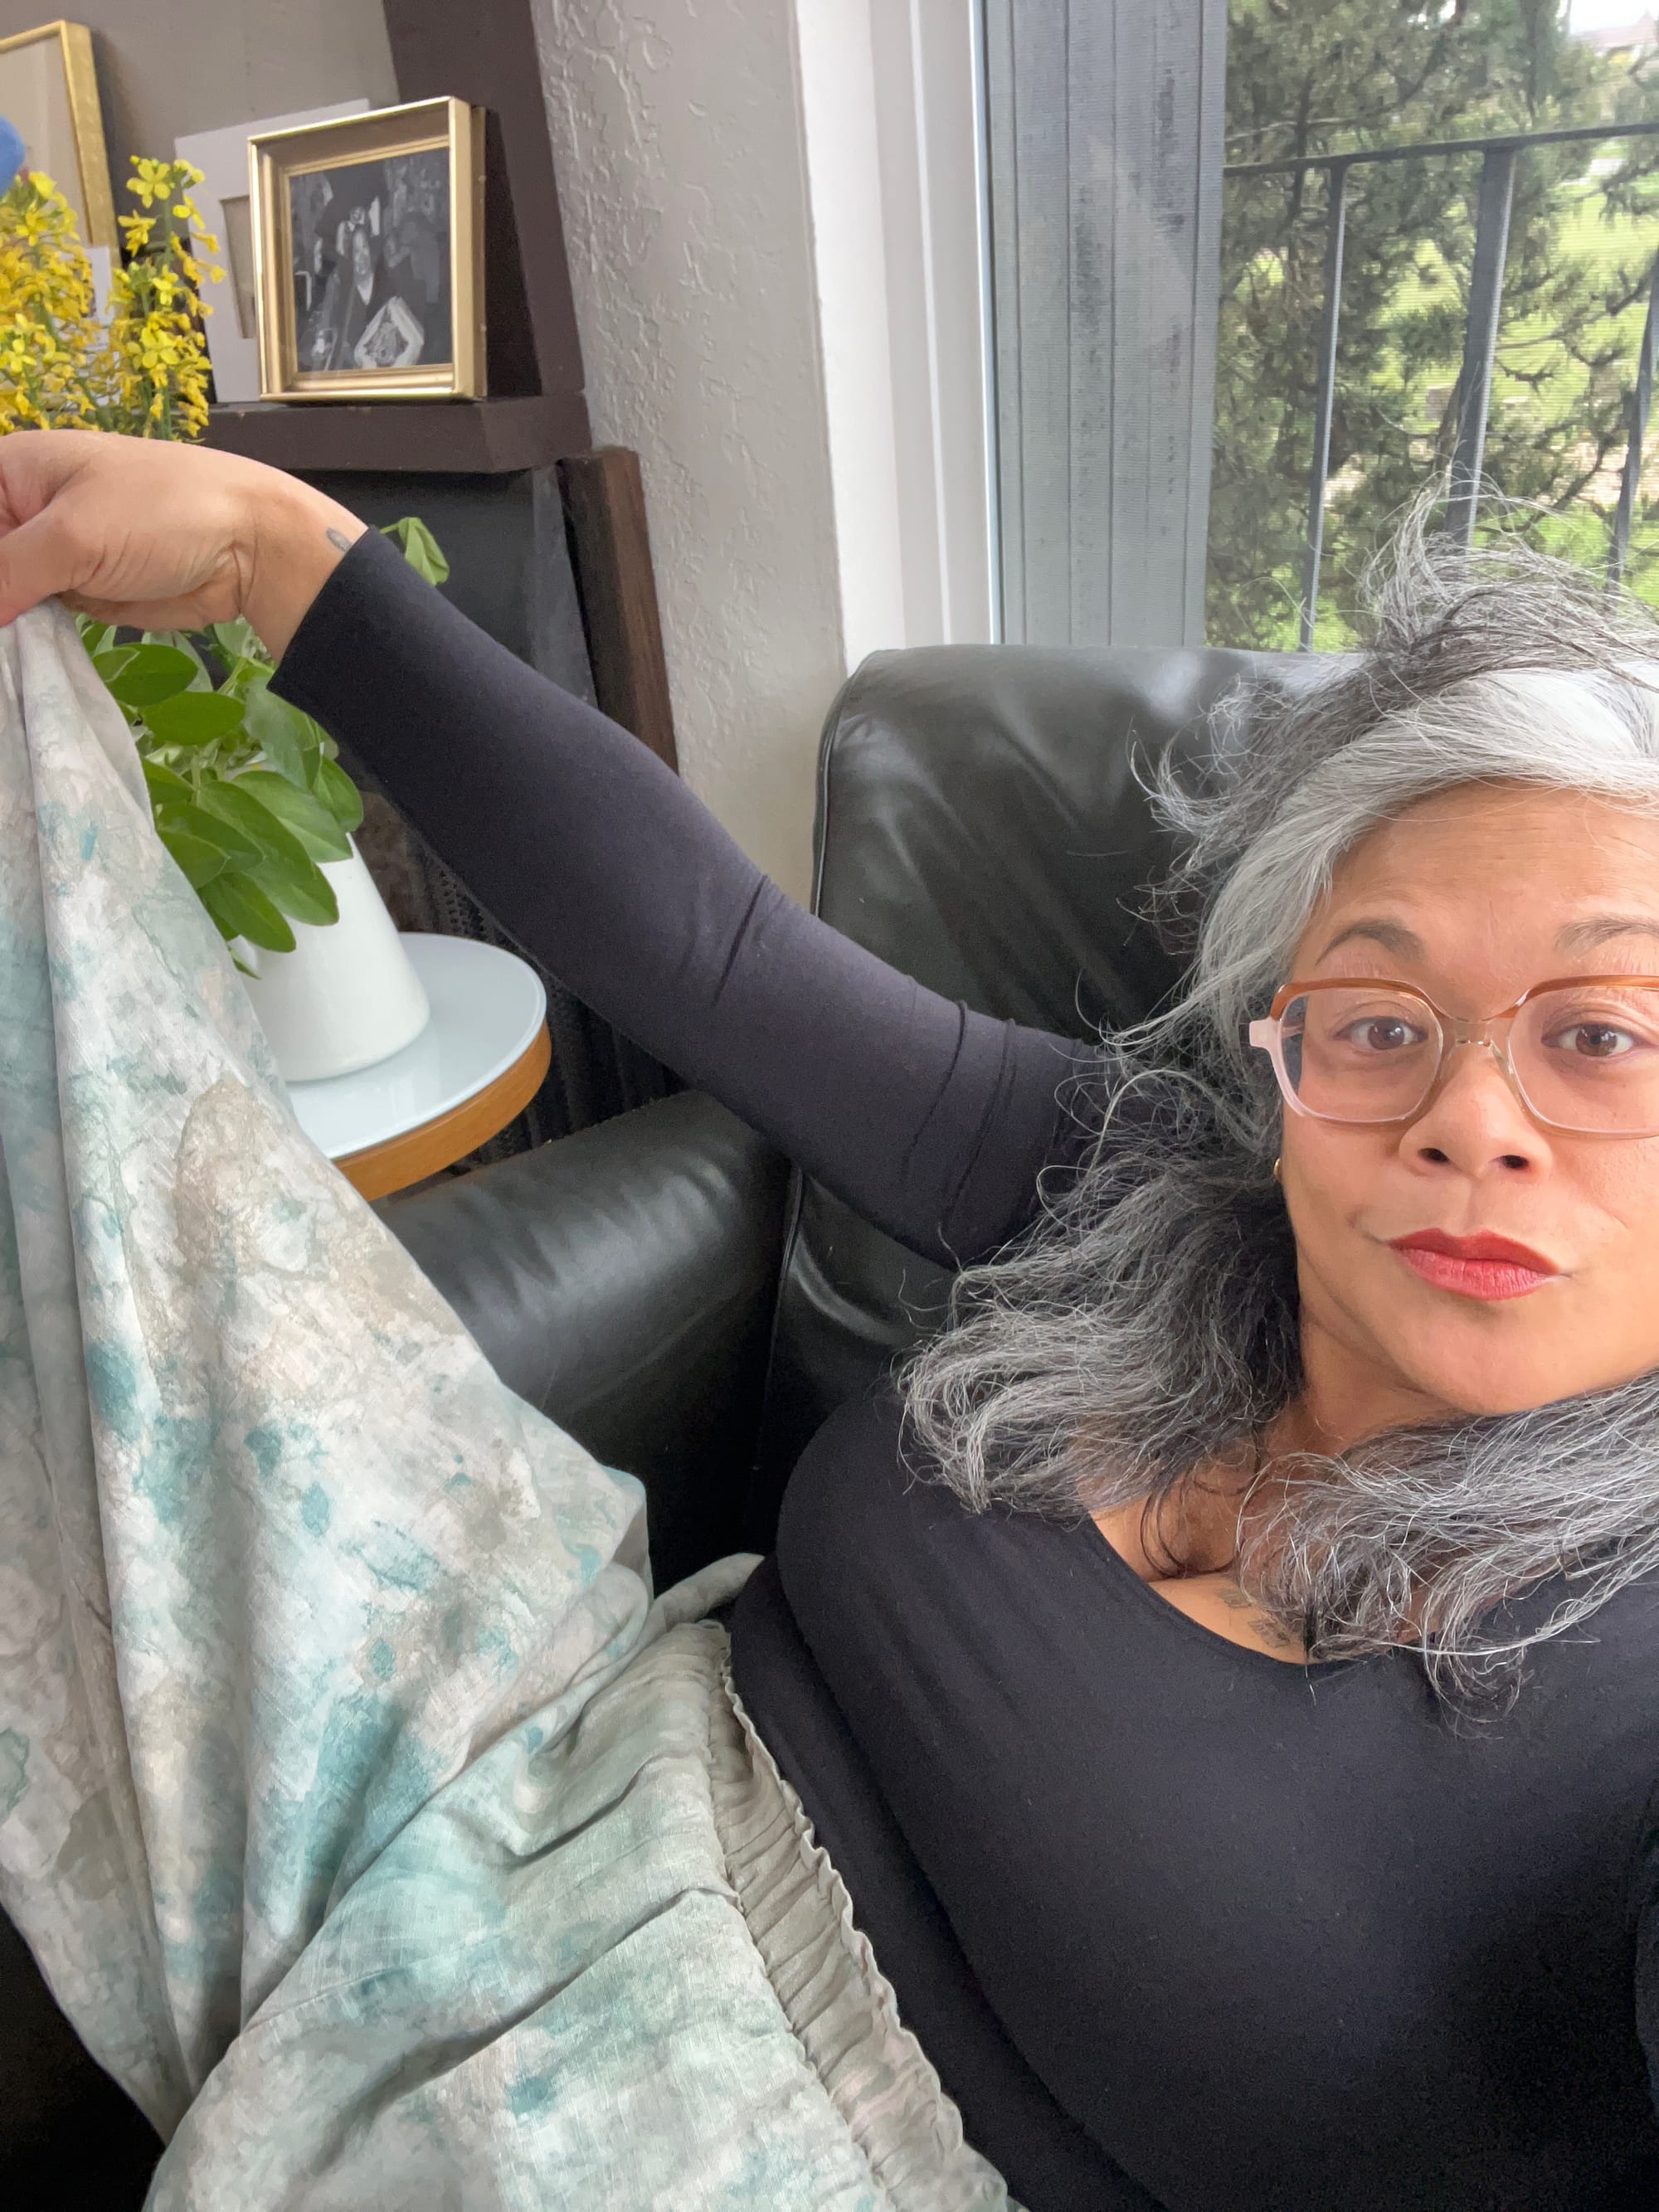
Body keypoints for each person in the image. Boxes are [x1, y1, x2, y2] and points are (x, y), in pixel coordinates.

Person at [2, 430, 1658, 2211]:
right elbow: (712, 957)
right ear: (1280, 1051)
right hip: (510, 1809)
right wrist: (273, 546)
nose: (1469, 1115)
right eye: (1381, 1017)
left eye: (1603, 1031)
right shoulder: (1143, 1183)